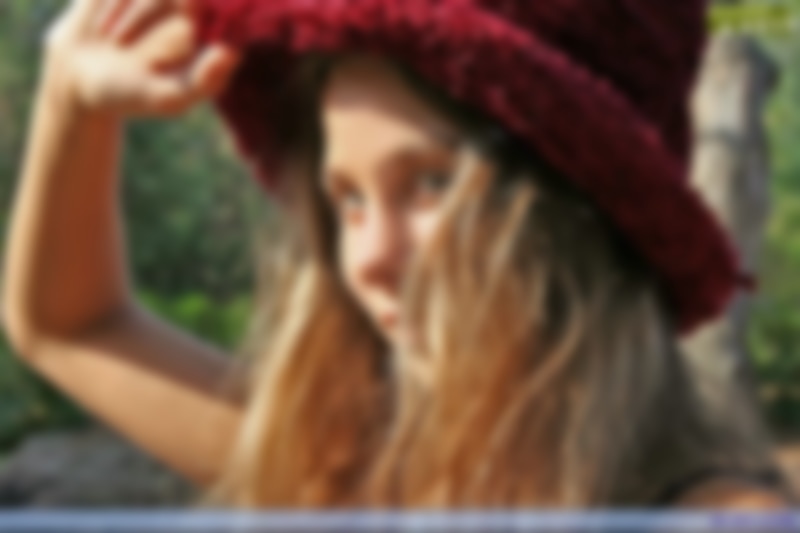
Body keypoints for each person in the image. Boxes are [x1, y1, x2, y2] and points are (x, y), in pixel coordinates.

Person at [1, 0, 794, 509]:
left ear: (580, 204)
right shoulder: (352, 471)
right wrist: (68, 98)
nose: (370, 259)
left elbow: (72, 326)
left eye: (431, 183)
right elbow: (66, 325)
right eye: (347, 198)